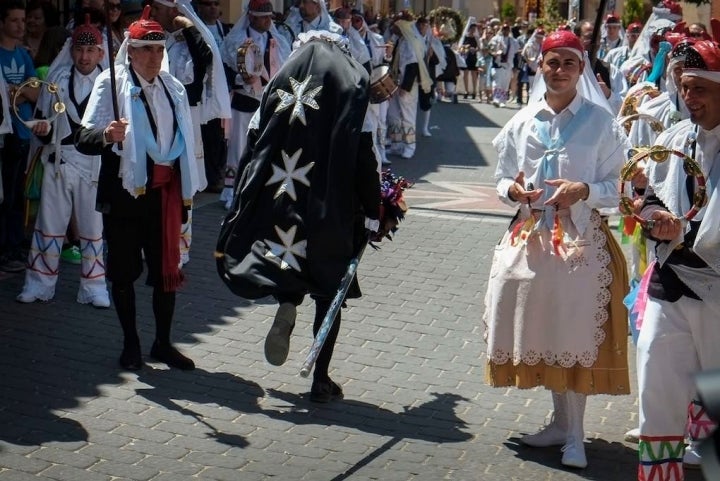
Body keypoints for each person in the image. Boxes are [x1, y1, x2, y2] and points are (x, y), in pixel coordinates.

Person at [483, 29, 631, 469]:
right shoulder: (523, 122)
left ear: (581, 69)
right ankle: (558, 423)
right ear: (540, 66)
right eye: (553, 62)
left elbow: (619, 187)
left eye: (569, 63)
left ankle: (576, 436)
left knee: (574, 332)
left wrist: (583, 189)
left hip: (581, 243)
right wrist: (512, 190)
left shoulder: (602, 124)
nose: (560, 71)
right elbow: (500, 178)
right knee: (545, 329)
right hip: (532, 241)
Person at [215, 31, 381, 403]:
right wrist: (374, 207)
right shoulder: (350, 89)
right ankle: (320, 379)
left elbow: (254, 143)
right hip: (332, 205)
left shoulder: (280, 83)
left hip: (282, 197)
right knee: (329, 288)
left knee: (289, 258)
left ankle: (288, 304)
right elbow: (363, 156)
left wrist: (244, 193)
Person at [75, 6, 202, 371]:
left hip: (165, 197)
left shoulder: (173, 88)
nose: (154, 56)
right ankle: (131, 343)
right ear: (129, 51)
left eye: (159, 49)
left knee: (166, 272)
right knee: (124, 273)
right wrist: (105, 134)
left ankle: (162, 343)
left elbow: (181, 145)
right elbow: (82, 137)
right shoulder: (110, 84)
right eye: (146, 49)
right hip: (125, 196)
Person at [635, 39, 720, 481]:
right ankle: (659, 475)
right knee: (656, 387)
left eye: (700, 89)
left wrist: (686, 229)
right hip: (669, 284)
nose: (690, 98)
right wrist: (655, 220)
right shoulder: (671, 139)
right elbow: (646, 198)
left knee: (715, 393)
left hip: (717, 293)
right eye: (685, 87)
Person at [16, 18, 110, 308]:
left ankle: (94, 287)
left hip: (93, 166)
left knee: (92, 228)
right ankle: (39, 284)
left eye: (90, 51)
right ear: (71, 51)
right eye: (80, 51)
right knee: (49, 224)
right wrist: (42, 131)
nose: (84, 57)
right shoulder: (55, 81)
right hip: (58, 163)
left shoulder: (109, 84)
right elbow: (44, 122)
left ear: (100, 54)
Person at [220, 0, 291, 210]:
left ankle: (259, 189)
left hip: (269, 102)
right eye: (263, 17)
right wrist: (240, 79)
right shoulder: (235, 41)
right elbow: (224, 71)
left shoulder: (277, 41)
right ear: (250, 16)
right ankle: (232, 191)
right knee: (238, 148)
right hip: (244, 101)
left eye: (270, 17)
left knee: (266, 147)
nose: (268, 21)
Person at [0, 1, 40, 274]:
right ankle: (5, 250)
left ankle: (13, 246)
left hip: (23, 131)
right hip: (5, 134)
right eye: (14, 20)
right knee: (5, 195)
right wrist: (18, 92)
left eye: (23, 20)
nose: (21, 25)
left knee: (16, 195)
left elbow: (37, 92)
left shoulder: (24, 55)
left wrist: (16, 92)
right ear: (2, 23)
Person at [386, 12, 430, 159]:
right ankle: (396, 144)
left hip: (407, 86)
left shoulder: (412, 41)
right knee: (393, 115)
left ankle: (410, 146)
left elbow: (413, 66)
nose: (393, 27)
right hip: (395, 83)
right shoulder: (401, 39)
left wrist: (405, 87)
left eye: (396, 24)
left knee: (407, 117)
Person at [488, 23, 519, 107]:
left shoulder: (512, 41)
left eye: (507, 29)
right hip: (498, 64)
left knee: (505, 84)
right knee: (497, 83)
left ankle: (503, 101)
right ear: (501, 30)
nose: (505, 31)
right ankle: (496, 99)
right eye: (504, 29)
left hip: (508, 65)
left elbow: (517, 51)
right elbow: (490, 49)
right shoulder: (496, 39)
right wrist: (494, 53)